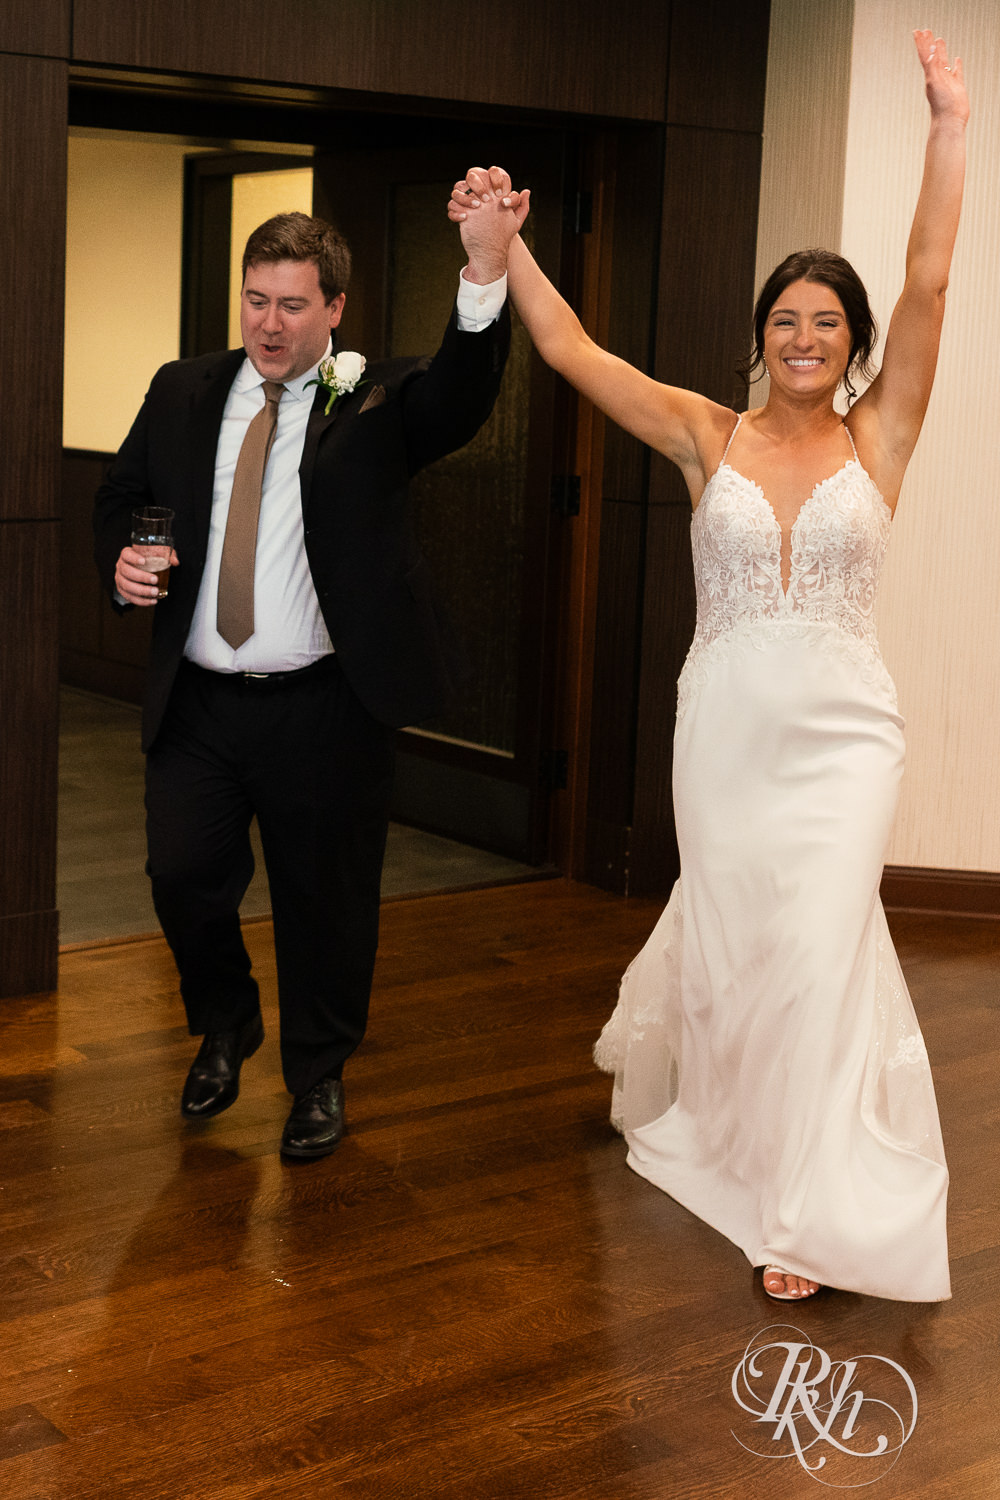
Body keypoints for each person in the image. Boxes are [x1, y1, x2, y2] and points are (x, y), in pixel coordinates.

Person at [449, 29, 967, 1300]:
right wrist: (500, 252)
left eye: (824, 323)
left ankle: (800, 1208)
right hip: (725, 730)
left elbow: (930, 282)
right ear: (761, 335)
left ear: (850, 344)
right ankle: (742, 1141)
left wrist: (950, 126)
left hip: (846, 734)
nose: (804, 338)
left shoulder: (881, 436)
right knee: (745, 946)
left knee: (820, 941)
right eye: (784, 320)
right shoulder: (706, 436)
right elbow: (574, 354)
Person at [94, 206, 512, 1159]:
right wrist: (120, 560)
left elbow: (460, 397)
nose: (269, 325)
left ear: (334, 310)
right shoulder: (181, 390)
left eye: (292, 305)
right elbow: (121, 495)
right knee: (182, 875)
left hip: (324, 704)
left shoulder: (376, 398)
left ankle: (319, 1077)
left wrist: (484, 271)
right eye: (255, 302)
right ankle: (227, 1017)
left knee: (325, 901)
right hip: (199, 701)